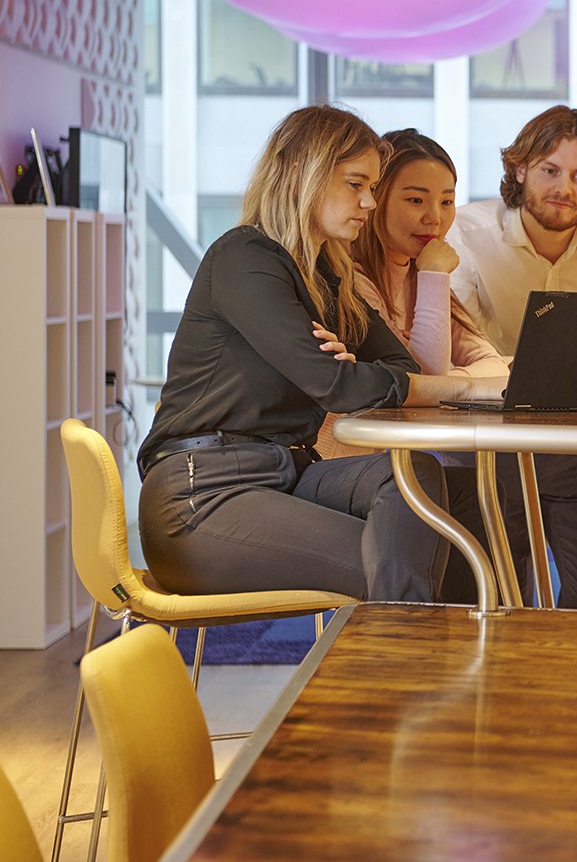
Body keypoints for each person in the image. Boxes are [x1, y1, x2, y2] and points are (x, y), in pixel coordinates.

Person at [137, 105, 495, 604]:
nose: (369, 202)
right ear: (304, 173)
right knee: (402, 562)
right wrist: (455, 385)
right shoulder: (245, 259)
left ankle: (437, 658)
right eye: (356, 185)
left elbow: (402, 368)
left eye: (372, 187)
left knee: (421, 477)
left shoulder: (330, 275)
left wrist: (348, 370)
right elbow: (338, 387)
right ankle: (412, 671)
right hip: (204, 496)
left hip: (288, 473)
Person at [445, 105, 577, 610]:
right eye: (550, 171)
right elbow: (459, 348)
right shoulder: (468, 231)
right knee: (493, 605)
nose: (565, 187)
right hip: (489, 446)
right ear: (520, 170)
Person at [316, 127, 511, 600]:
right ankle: (432, 645)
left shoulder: (422, 274)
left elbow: (499, 370)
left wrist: (449, 378)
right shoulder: (351, 279)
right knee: (455, 493)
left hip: (393, 463)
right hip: (343, 463)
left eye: (447, 201)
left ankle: (485, 643)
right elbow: (414, 378)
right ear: (377, 200)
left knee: (493, 495)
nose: (435, 218)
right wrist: (434, 277)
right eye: (416, 199)